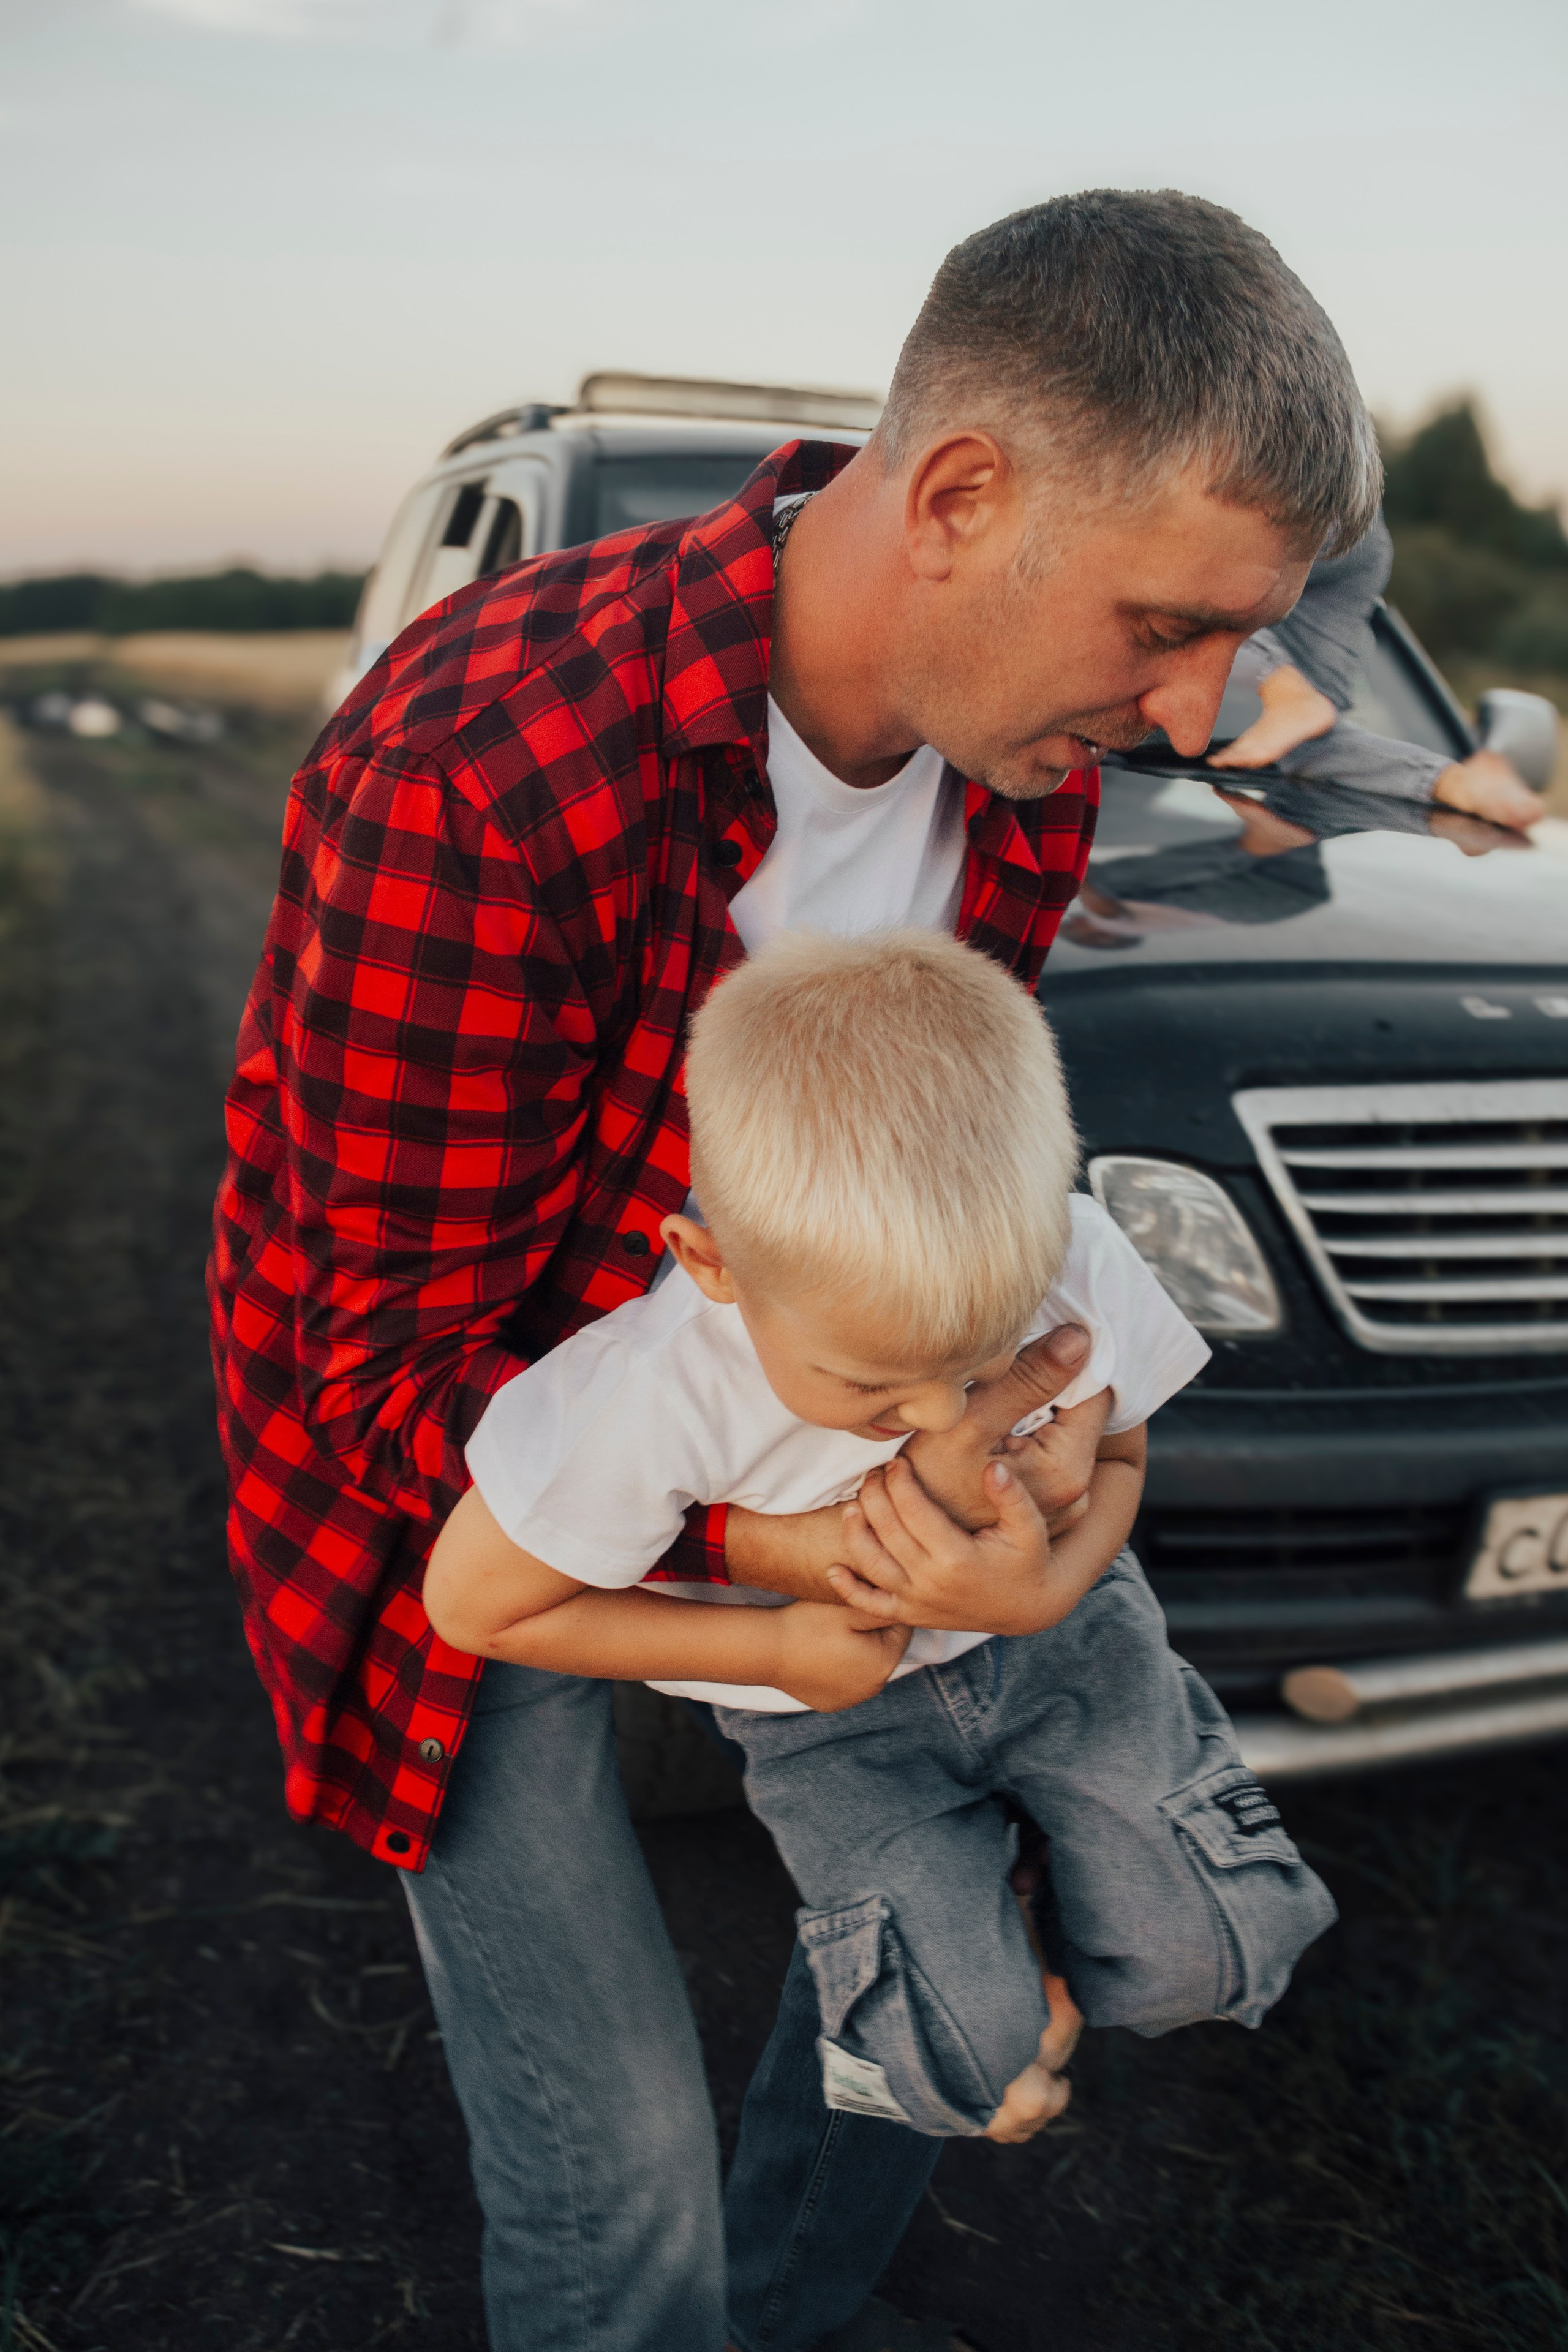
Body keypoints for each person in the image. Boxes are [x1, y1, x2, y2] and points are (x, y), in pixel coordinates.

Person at [210, 187, 1381, 2352]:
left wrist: (1035, 1537)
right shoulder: (483, 760)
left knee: (936, 1949)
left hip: (802, 1458)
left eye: (1243, 640)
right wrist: (799, 1545)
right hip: (455, 1508)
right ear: (959, 495)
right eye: (1165, 624)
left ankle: (791, 2305)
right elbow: (371, 1374)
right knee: (614, 2167)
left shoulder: (1020, 780)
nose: (1207, 712)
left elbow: (968, 1221)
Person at [423, 930, 1335, 2145]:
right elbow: (475, 1603)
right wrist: (783, 1656)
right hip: (831, 1719)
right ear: (710, 1262)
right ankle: (990, 1959)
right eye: (872, 1388)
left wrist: (1049, 1586)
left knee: (1214, 1962)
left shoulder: (1071, 1254)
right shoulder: (649, 1390)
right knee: (952, 2073)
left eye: (981, 1361)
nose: (938, 1422)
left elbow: (1119, 1451)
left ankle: (1050, 1899)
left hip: (1073, 1648)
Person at [1209, 513, 1541, 826]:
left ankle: (1284, 690)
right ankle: (1458, 781)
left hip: (1300, 490)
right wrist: (1445, 779)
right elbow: (1307, 743)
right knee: (1302, 729)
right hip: (1359, 513)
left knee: (1181, 601)